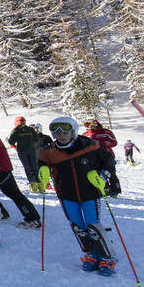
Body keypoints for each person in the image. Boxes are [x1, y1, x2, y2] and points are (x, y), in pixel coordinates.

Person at [39, 117, 116, 275]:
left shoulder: (90, 146)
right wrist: (41, 173)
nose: (61, 135)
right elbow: (40, 165)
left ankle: (107, 258)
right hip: (66, 195)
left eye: (65, 132)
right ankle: (91, 255)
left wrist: (104, 173)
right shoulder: (49, 151)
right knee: (78, 227)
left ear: (73, 131)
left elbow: (108, 159)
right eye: (57, 133)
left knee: (93, 226)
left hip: (89, 193)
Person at [82, 119, 120, 196]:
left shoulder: (106, 132)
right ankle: (104, 188)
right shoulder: (85, 135)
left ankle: (115, 190)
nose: (89, 127)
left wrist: (101, 143)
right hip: (94, 156)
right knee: (98, 172)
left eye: (90, 124)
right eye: (87, 125)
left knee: (110, 172)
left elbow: (114, 142)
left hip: (107, 156)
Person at [7, 116, 42, 192]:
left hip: (22, 152)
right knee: (35, 168)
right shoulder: (31, 129)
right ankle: (40, 186)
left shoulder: (16, 131)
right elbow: (37, 139)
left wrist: (16, 145)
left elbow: (11, 142)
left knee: (28, 168)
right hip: (32, 151)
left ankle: (33, 186)